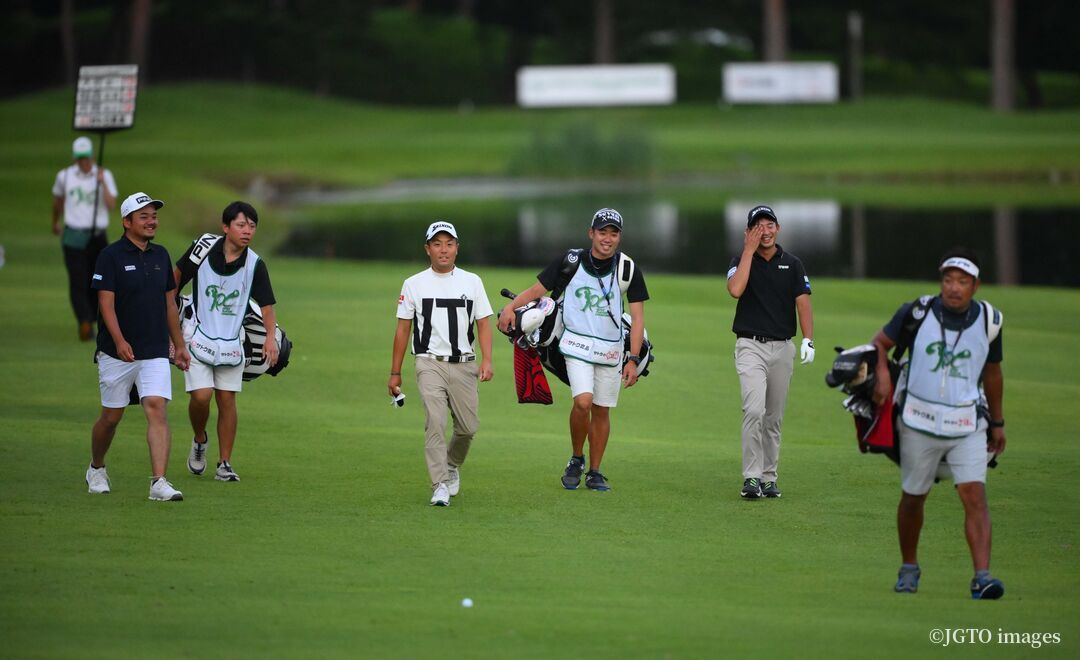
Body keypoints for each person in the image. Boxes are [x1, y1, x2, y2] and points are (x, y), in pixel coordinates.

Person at [871, 248, 1007, 599]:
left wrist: (997, 421)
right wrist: (882, 375)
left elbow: (993, 373)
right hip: (918, 421)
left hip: (967, 423)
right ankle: (909, 567)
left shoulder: (990, 320)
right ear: (941, 281)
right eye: (948, 280)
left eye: (962, 281)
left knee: (974, 495)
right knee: (913, 498)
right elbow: (880, 344)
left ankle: (982, 577)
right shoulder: (917, 312)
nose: (954, 287)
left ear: (975, 286)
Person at [498, 208, 648, 492]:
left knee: (601, 411)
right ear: (591, 233)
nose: (607, 238)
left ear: (619, 237)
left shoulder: (628, 269)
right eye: (602, 232)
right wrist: (510, 308)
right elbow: (537, 290)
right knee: (583, 402)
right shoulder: (571, 261)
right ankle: (577, 458)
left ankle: (595, 472)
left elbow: (638, 318)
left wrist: (632, 358)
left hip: (611, 350)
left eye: (613, 233)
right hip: (576, 344)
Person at [86, 192, 191, 501]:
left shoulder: (161, 256)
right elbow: (106, 304)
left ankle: (159, 482)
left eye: (154, 216)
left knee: (156, 407)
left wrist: (179, 345)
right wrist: (119, 341)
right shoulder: (110, 256)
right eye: (143, 216)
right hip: (116, 351)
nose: (151, 221)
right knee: (111, 417)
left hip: (154, 349)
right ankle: (96, 467)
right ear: (126, 222)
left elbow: (169, 304)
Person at [389, 221, 494, 506]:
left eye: (449, 244)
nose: (443, 250)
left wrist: (487, 360)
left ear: (457, 248)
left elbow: (483, 323)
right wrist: (395, 372)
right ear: (428, 249)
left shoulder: (472, 281)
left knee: (468, 427)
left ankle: (451, 464)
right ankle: (439, 485)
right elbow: (403, 329)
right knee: (435, 422)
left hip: (464, 364)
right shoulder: (413, 284)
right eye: (437, 244)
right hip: (429, 363)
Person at [174, 201, 278, 483]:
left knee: (227, 399)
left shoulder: (255, 264)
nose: (247, 231)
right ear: (226, 227)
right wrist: (170, 327)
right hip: (197, 336)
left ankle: (224, 463)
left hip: (232, 342)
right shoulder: (203, 248)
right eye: (241, 225)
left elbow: (267, 307)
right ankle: (200, 438)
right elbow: (175, 281)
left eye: (252, 226)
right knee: (201, 396)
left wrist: (270, 339)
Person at [726, 205, 814, 500]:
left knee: (773, 417)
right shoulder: (740, 261)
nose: (765, 231)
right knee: (754, 410)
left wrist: (808, 339)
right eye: (758, 226)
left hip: (782, 348)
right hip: (750, 345)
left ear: (778, 228)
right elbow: (736, 290)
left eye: (769, 225)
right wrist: (748, 252)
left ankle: (768, 477)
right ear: (748, 232)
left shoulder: (793, 264)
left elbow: (803, 302)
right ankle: (751, 477)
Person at [52, 136, 118, 341]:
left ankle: (94, 317)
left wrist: (102, 183)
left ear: (92, 157)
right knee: (77, 281)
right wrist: (55, 222)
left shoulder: (104, 175)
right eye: (80, 158)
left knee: (97, 280)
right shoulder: (64, 176)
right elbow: (58, 201)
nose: (84, 162)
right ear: (75, 158)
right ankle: (85, 322)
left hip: (98, 235)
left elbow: (111, 204)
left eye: (86, 158)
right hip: (74, 235)